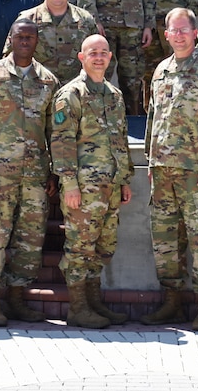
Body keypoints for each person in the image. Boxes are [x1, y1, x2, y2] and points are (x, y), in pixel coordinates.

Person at [140, 8, 198, 332]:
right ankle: (172, 301)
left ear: (196, 34)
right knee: (165, 239)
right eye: (173, 30)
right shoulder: (161, 70)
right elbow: (153, 120)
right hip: (164, 171)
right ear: (166, 35)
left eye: (184, 30)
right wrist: (151, 160)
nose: (178, 35)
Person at [0, 19, 59, 326]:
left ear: (36, 41)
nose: (25, 41)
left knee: (29, 240)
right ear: (11, 38)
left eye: (30, 37)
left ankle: (18, 299)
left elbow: (54, 131)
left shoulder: (47, 81)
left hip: (34, 175)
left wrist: (54, 173)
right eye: (20, 36)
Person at [50, 34, 133, 329]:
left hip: (109, 186)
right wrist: (69, 183)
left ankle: (94, 300)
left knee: (102, 246)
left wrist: (124, 180)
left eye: (103, 52)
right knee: (80, 246)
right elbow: (61, 142)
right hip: (83, 188)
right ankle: (78, 306)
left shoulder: (114, 95)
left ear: (110, 58)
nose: (98, 57)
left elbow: (120, 141)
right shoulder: (70, 94)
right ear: (81, 58)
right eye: (92, 52)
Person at [12, 0, 100, 86]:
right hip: (36, 94)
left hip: (74, 96)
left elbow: (97, 59)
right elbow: (11, 60)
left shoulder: (86, 21)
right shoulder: (26, 21)